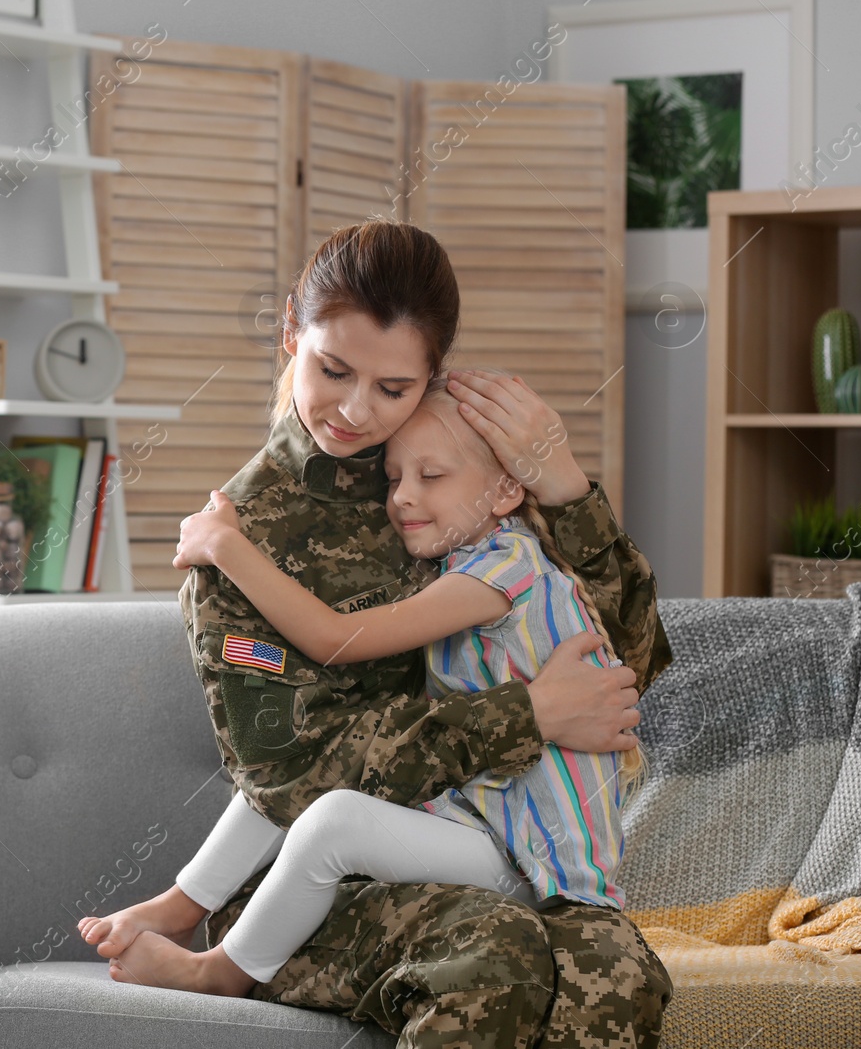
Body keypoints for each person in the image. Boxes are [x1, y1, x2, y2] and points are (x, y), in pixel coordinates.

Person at [77, 219, 673, 1047]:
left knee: (620, 977)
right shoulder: (244, 534)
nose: (357, 412)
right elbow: (291, 775)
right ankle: (196, 929)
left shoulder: (460, 477)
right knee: (495, 957)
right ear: (292, 330)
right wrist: (527, 715)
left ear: (433, 375)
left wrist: (564, 484)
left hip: (498, 839)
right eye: (332, 369)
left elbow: (628, 666)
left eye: (393, 388)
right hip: (310, 891)